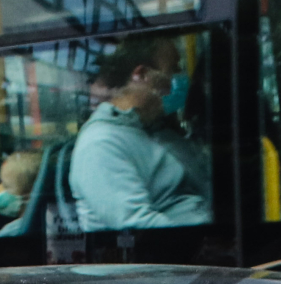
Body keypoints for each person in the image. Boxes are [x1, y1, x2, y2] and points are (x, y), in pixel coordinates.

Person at [69, 36, 211, 231]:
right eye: (173, 69)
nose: (181, 78)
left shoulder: (153, 130)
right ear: (143, 75)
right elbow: (137, 226)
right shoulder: (101, 144)